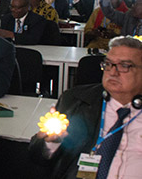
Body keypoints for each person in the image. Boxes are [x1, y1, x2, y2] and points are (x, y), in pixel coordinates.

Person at [29, 36, 142, 179]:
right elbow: (37, 158)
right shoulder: (75, 100)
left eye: (124, 66)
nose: (113, 72)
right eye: (108, 64)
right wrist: (51, 142)